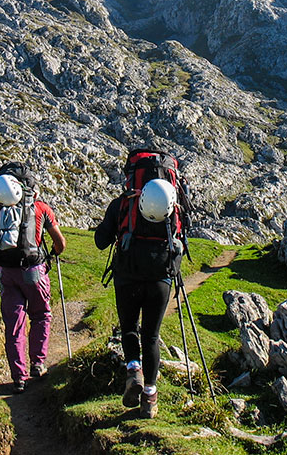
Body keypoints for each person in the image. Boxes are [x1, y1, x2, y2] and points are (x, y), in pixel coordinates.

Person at [94, 152, 186, 419]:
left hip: (127, 275)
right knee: (152, 336)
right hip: (161, 276)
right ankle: (150, 396)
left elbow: (101, 241)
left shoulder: (122, 203)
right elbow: (183, 238)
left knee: (130, 329)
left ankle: (133, 370)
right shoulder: (174, 206)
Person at [0, 162, 66, 394]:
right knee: (41, 313)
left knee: (14, 324)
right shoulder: (41, 208)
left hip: (6, 271)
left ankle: (18, 377)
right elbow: (60, 243)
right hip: (33, 269)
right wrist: (52, 254)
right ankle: (38, 364)